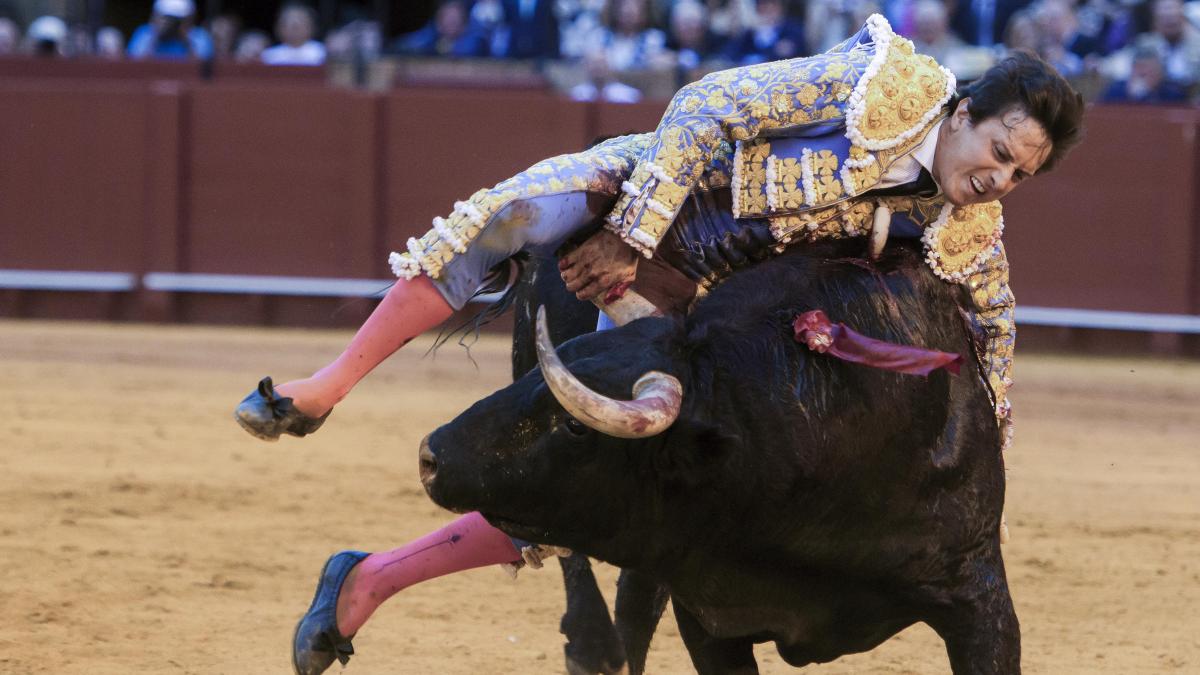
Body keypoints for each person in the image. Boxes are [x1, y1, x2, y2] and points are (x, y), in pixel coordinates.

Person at [234, 15, 1083, 674]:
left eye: (1020, 175)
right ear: (964, 111)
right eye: (1000, 152)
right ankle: (325, 384)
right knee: (508, 216)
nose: (999, 179)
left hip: (709, 308)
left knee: (592, 479)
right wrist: (634, 235)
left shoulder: (971, 225)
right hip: (656, 201)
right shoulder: (886, 85)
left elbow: (990, 339)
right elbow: (708, 103)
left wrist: (982, 462)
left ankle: (369, 577)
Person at [127, 0, 213, 60]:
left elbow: (204, 68)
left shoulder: (199, 37)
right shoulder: (145, 34)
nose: (172, 25)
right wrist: (156, 37)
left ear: (189, 19)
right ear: (155, 17)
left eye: (178, 21)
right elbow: (133, 64)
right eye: (167, 19)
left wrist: (187, 40)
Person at [261, 3, 326, 66]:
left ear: (311, 27)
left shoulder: (322, 54)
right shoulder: (269, 56)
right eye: (287, 25)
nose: (293, 30)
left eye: (297, 25)